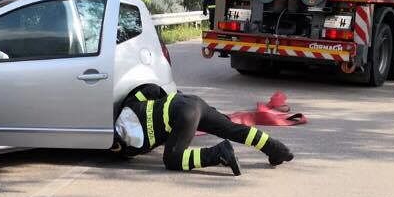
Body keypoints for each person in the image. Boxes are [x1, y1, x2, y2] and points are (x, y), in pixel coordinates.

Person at [113, 84, 295, 175]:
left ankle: (219, 154)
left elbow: (164, 141)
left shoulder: (134, 147)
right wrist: (166, 101)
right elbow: (150, 89)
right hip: (189, 101)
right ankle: (276, 148)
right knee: (232, 129)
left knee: (172, 160)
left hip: (182, 115)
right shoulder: (128, 105)